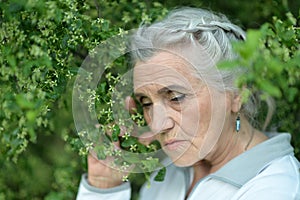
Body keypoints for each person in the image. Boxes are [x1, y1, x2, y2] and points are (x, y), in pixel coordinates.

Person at [76, 7, 300, 199]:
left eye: (175, 97)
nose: (157, 126)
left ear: (236, 94)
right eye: (146, 103)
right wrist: (104, 186)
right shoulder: (169, 175)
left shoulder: (275, 188)